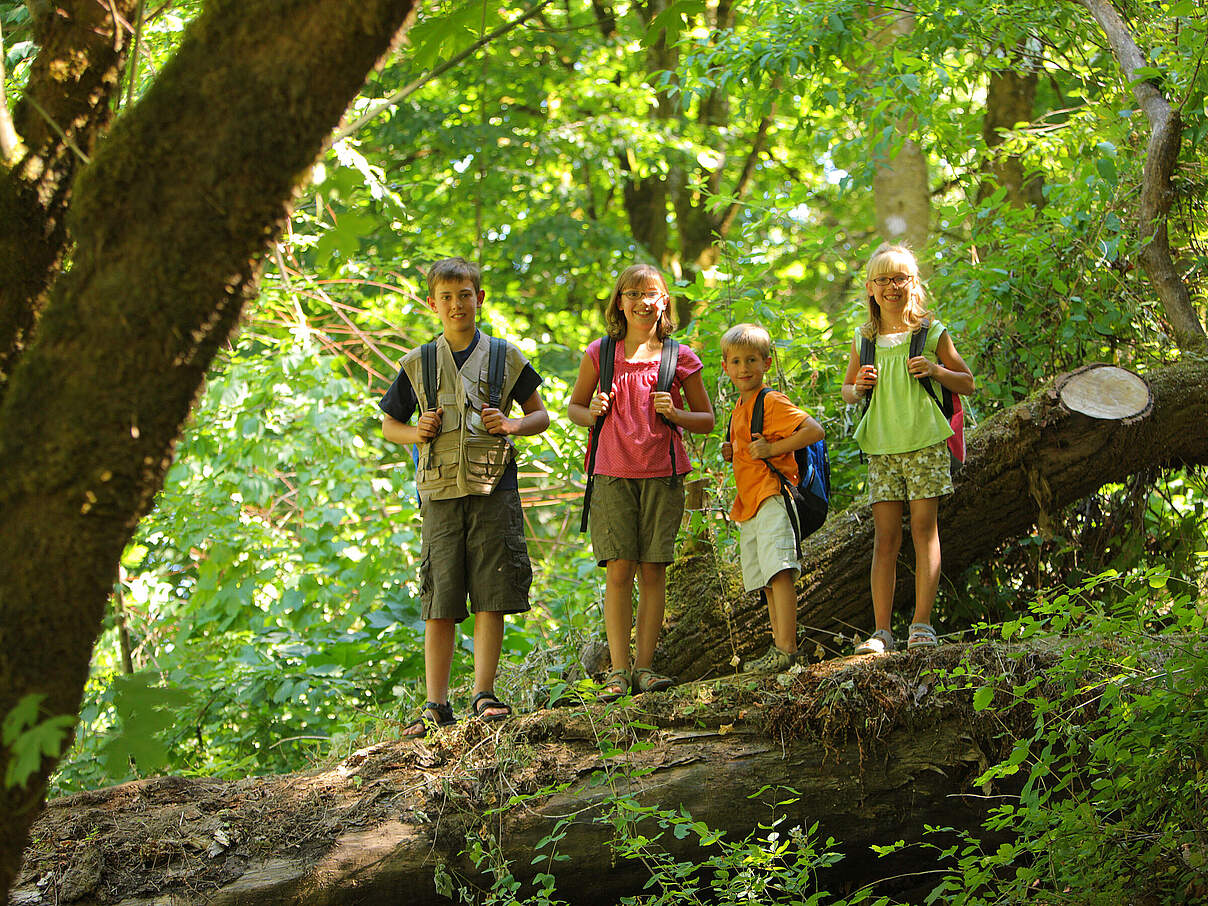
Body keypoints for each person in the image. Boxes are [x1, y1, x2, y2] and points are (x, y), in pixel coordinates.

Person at [380, 257, 549, 736]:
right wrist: (415, 433)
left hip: (494, 487)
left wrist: (512, 423)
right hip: (439, 493)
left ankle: (483, 693)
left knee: (492, 591)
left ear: (480, 298)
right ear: (433, 304)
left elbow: (541, 416)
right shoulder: (418, 363)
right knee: (441, 595)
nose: (457, 305)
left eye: (466, 295)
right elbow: (389, 423)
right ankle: (434, 703)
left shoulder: (504, 357)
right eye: (447, 297)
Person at [568, 264, 714, 700]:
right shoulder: (601, 354)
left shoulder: (679, 357)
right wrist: (591, 407)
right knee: (618, 570)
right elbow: (574, 409)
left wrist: (676, 413)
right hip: (611, 473)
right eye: (631, 294)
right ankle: (617, 671)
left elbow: (706, 420)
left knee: (653, 571)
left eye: (650, 294)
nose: (641, 301)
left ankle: (646, 668)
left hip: (663, 475)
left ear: (664, 301)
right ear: (619, 303)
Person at [840, 243, 975, 654]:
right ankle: (881, 632)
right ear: (870, 288)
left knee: (923, 530)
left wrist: (935, 369)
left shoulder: (930, 332)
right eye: (882, 279)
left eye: (899, 278)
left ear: (912, 284)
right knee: (885, 539)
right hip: (882, 446)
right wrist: (857, 386)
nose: (891, 287)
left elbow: (966, 381)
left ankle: (921, 625)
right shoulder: (864, 339)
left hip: (924, 444)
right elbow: (847, 392)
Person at [720, 324, 825, 672]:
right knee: (768, 578)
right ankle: (779, 647)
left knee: (780, 572)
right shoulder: (739, 406)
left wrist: (773, 448)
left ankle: (787, 649)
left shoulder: (771, 400)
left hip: (773, 497)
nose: (744, 368)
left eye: (751, 360)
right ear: (725, 367)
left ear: (766, 362)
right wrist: (731, 450)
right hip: (750, 504)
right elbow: (749, 448)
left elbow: (814, 430)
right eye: (735, 361)